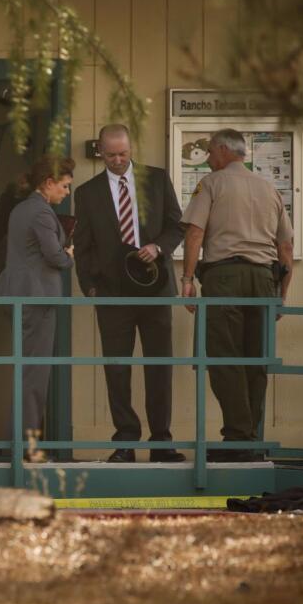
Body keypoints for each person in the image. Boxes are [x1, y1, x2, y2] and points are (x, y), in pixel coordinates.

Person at [73, 124, 185, 463]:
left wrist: (158, 247)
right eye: (111, 155)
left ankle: (161, 442)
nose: (118, 161)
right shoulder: (87, 192)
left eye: (123, 154)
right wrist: (90, 286)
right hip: (112, 293)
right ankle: (125, 440)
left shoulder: (156, 179)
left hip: (155, 288)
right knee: (117, 368)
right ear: (100, 152)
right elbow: (84, 245)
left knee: (159, 367)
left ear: (131, 148)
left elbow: (177, 224)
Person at [180, 129, 294, 462]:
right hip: (263, 280)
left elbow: (195, 233)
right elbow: (285, 247)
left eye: (211, 152)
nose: (209, 159)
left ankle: (237, 439)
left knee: (223, 357)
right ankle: (250, 439)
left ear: (222, 150)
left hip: (224, 278)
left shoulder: (212, 185)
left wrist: (187, 278)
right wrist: (281, 296)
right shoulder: (269, 189)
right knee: (255, 360)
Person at [0, 155, 75, 453]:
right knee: (34, 374)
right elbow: (54, 256)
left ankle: (17, 443)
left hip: (18, 294)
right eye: (64, 186)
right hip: (36, 297)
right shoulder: (41, 212)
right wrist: (69, 255)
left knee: (25, 370)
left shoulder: (21, 208)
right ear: (49, 183)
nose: (66, 192)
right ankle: (25, 446)